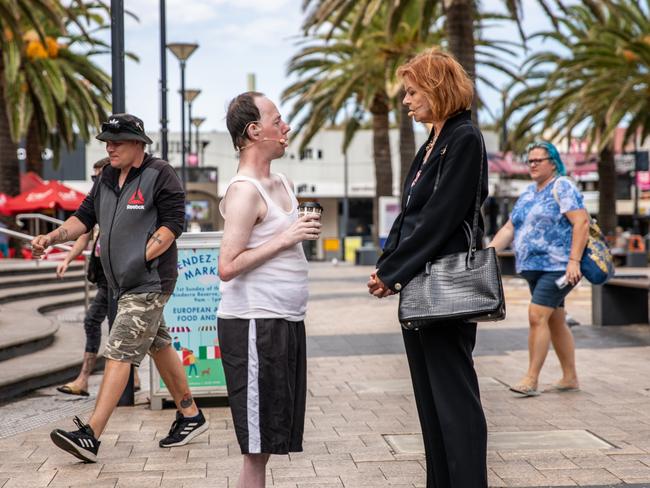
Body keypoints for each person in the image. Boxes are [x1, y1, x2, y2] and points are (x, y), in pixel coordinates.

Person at [31, 113, 208, 463]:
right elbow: (83, 218)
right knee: (158, 344)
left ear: (138, 144)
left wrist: (138, 259)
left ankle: (91, 435)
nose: (109, 147)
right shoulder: (107, 178)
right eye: (106, 142)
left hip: (149, 281)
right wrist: (51, 238)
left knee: (119, 350)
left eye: (117, 141)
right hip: (120, 284)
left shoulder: (160, 174)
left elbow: (173, 225)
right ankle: (191, 415)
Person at [367, 49, 488, 487]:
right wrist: (388, 263)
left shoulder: (464, 138)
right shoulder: (431, 144)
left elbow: (443, 215)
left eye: (413, 92)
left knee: (455, 399)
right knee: (430, 400)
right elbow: (410, 215)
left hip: (446, 285)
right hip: (420, 287)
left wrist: (393, 270)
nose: (407, 101)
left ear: (437, 89)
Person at [217, 91, 321, 488]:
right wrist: (285, 238)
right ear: (254, 130)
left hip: (285, 320)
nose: (286, 126)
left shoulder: (282, 182)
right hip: (253, 323)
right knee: (256, 450)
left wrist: (291, 236)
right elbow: (227, 266)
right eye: (278, 119)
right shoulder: (244, 191)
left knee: (270, 440)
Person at [488, 141, 589, 397]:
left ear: (552, 162)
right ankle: (570, 377)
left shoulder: (562, 186)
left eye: (538, 160)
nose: (532, 165)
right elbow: (510, 228)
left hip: (558, 268)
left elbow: (581, 223)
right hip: (533, 267)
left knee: (536, 316)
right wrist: (487, 254)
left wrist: (574, 261)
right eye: (530, 160)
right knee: (555, 321)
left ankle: (530, 379)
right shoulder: (528, 193)